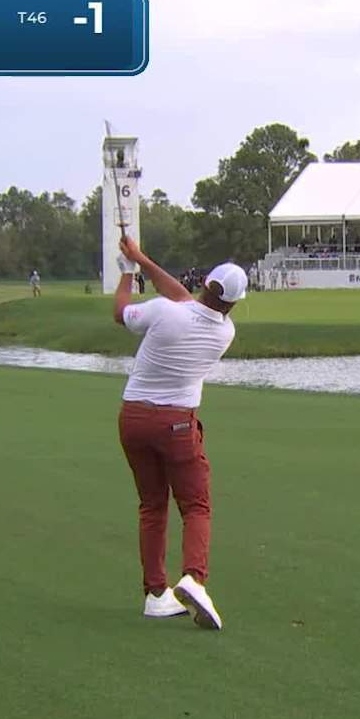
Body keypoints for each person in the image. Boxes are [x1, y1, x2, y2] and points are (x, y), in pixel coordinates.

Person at [112, 234, 244, 631]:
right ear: (232, 303)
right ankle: (194, 578)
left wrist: (127, 273)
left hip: (133, 418)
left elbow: (121, 313)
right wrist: (143, 260)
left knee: (152, 506)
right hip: (178, 424)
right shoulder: (225, 331)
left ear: (205, 284)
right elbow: (184, 298)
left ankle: (156, 595)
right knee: (196, 506)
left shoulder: (164, 312)